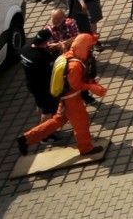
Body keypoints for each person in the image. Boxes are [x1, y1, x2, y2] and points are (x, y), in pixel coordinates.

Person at [19, 32, 105, 160]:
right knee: (82, 123)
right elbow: (76, 84)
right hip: (72, 99)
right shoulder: (75, 65)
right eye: (89, 46)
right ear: (83, 47)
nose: (90, 49)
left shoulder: (69, 55)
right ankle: (86, 149)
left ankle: (26, 139)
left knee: (57, 121)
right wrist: (92, 87)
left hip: (64, 98)